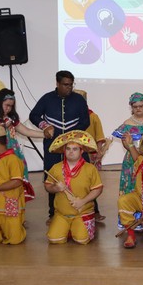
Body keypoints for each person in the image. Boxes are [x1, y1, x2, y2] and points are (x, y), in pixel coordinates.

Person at [0, 88, 46, 213]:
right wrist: (3, 124)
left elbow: (26, 131)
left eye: (11, 106)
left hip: (12, 154)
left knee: (13, 181)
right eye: (6, 105)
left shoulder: (10, 117)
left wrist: (45, 134)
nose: (9, 109)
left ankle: (11, 211)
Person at [29, 70, 90, 222]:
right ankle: (53, 212)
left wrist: (71, 135)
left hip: (75, 145)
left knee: (84, 175)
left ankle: (91, 210)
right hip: (52, 145)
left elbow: (86, 121)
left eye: (71, 85)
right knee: (52, 177)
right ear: (57, 83)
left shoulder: (78, 99)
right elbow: (34, 115)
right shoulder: (47, 98)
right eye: (65, 85)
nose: (69, 88)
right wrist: (45, 126)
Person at [44, 131, 103, 244]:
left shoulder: (90, 168)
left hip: (82, 212)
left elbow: (98, 189)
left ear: (81, 151)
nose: (71, 152)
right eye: (68, 149)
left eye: (75, 149)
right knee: (54, 239)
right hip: (62, 213)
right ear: (64, 150)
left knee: (82, 239)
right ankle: (68, 228)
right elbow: (47, 186)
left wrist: (83, 201)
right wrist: (55, 188)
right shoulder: (56, 168)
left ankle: (75, 228)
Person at [111, 92, 143, 197]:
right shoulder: (127, 123)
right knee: (133, 184)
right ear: (131, 107)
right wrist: (133, 149)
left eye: (141, 106)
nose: (138, 109)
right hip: (132, 158)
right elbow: (125, 143)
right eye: (135, 107)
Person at [74, 88, 110, 222]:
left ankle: (95, 211)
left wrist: (99, 152)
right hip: (73, 154)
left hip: (89, 155)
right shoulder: (70, 117)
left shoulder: (93, 116)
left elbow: (99, 137)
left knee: (90, 184)